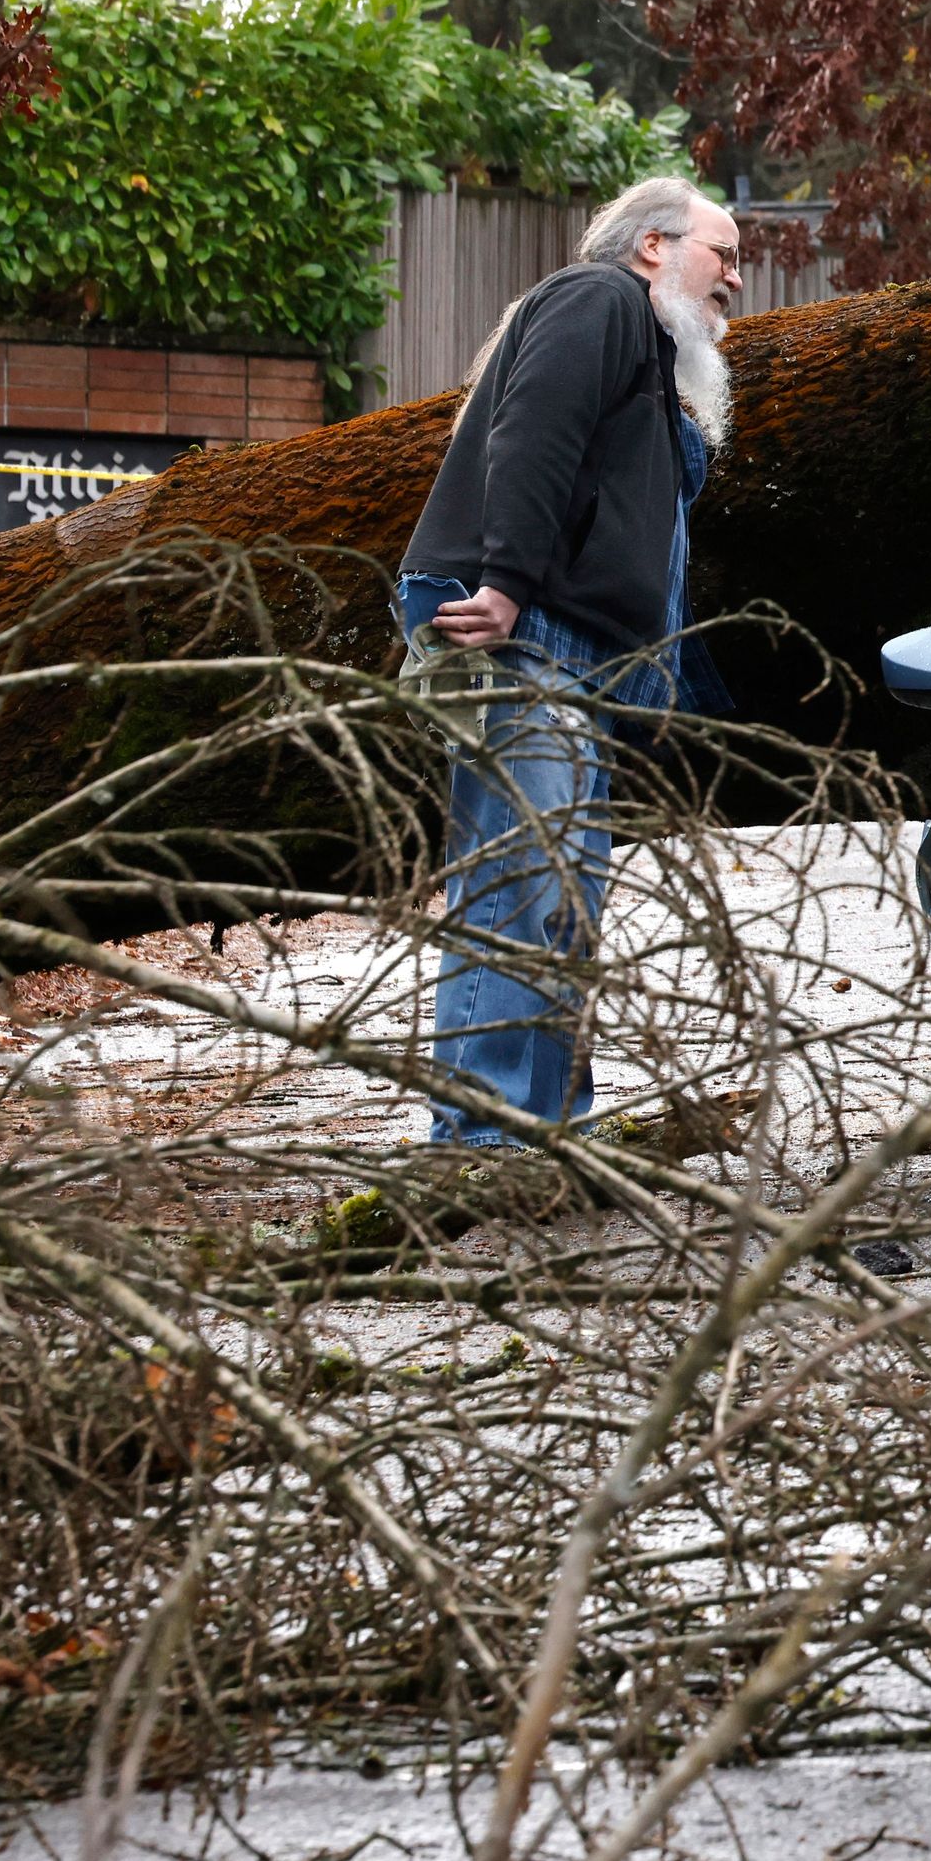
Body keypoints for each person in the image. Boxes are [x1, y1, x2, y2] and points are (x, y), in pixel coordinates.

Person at [395, 177, 742, 1144]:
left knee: (568, 906)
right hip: (523, 631)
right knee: (520, 888)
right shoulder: (598, 300)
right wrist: (505, 582)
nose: (738, 279)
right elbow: (532, 434)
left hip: (580, 659)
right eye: (724, 254)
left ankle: (546, 1133)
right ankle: (480, 1142)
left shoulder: (650, 358)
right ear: (651, 249)